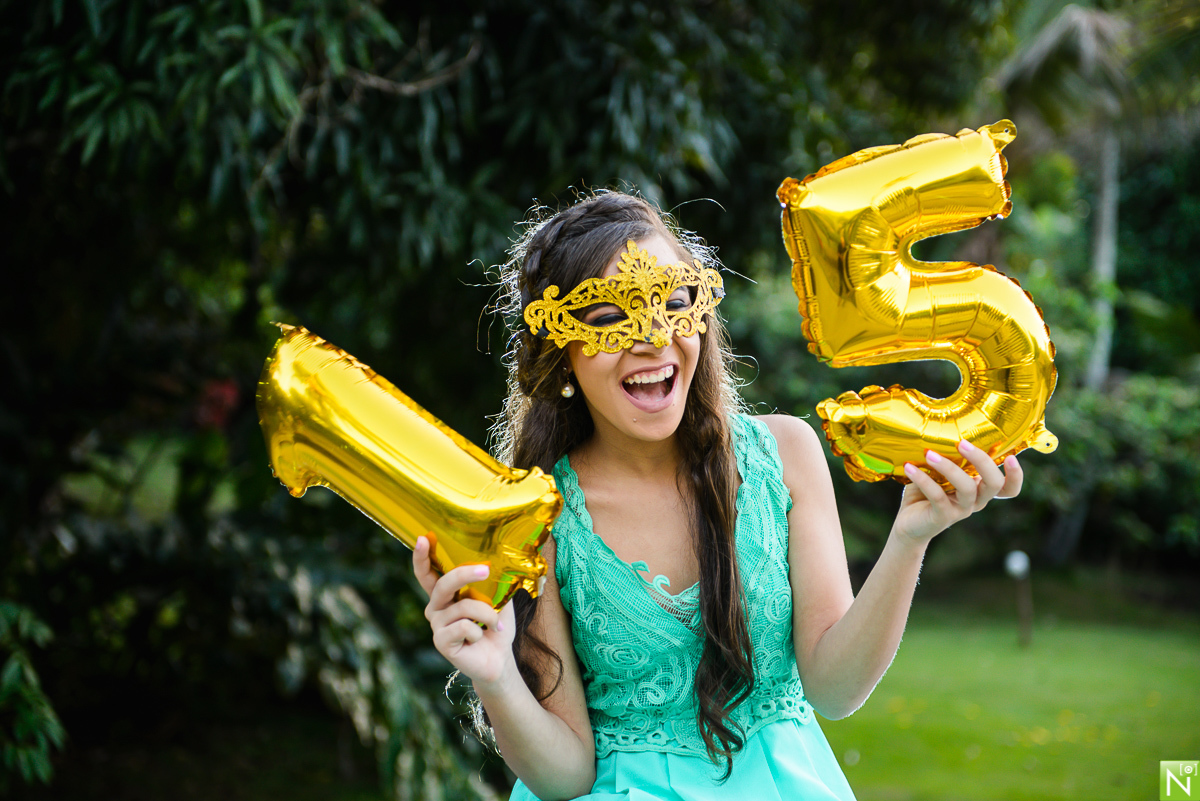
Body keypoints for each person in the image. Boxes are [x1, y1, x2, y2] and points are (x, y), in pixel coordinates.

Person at [412, 191, 1022, 801]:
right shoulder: (539, 518)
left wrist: (910, 537)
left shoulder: (785, 456)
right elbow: (565, 775)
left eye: (674, 302)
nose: (654, 337)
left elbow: (835, 690)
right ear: (561, 354)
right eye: (607, 317)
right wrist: (495, 678)